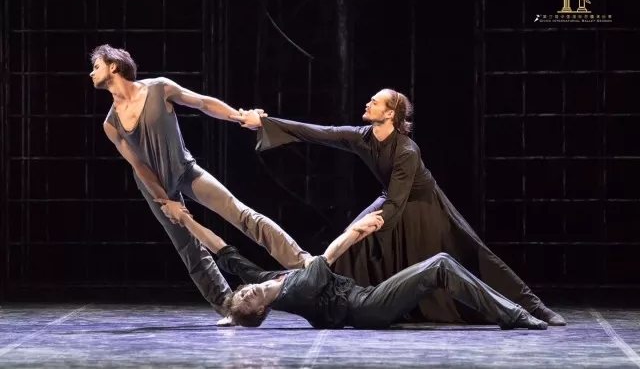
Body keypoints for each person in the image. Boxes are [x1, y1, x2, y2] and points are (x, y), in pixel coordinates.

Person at [229, 89, 566, 326]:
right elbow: (320, 133)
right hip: (391, 199)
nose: (368, 103)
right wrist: (266, 123)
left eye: (375, 102)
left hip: (423, 205)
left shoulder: (406, 151)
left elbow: (397, 201)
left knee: (469, 252)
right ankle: (358, 305)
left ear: (390, 114)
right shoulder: (362, 136)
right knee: (351, 246)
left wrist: (372, 225)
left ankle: (533, 306)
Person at [89, 44, 311, 324]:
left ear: (113, 66)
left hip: (186, 171)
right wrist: (165, 200)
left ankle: (303, 261)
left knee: (240, 213)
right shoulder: (111, 124)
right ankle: (229, 307)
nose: (91, 73)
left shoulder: (159, 88)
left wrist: (239, 116)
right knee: (189, 247)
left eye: (96, 66)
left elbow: (203, 103)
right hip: (155, 188)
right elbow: (139, 166)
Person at [154, 198, 548, 331]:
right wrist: (358, 230)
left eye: (243, 291)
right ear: (261, 311)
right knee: (440, 265)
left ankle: (509, 311)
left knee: (437, 265)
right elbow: (330, 255)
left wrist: (185, 219)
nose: (248, 290)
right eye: (249, 299)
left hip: (365, 295)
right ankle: (514, 315)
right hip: (367, 308)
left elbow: (222, 249)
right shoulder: (296, 292)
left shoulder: (268, 278)